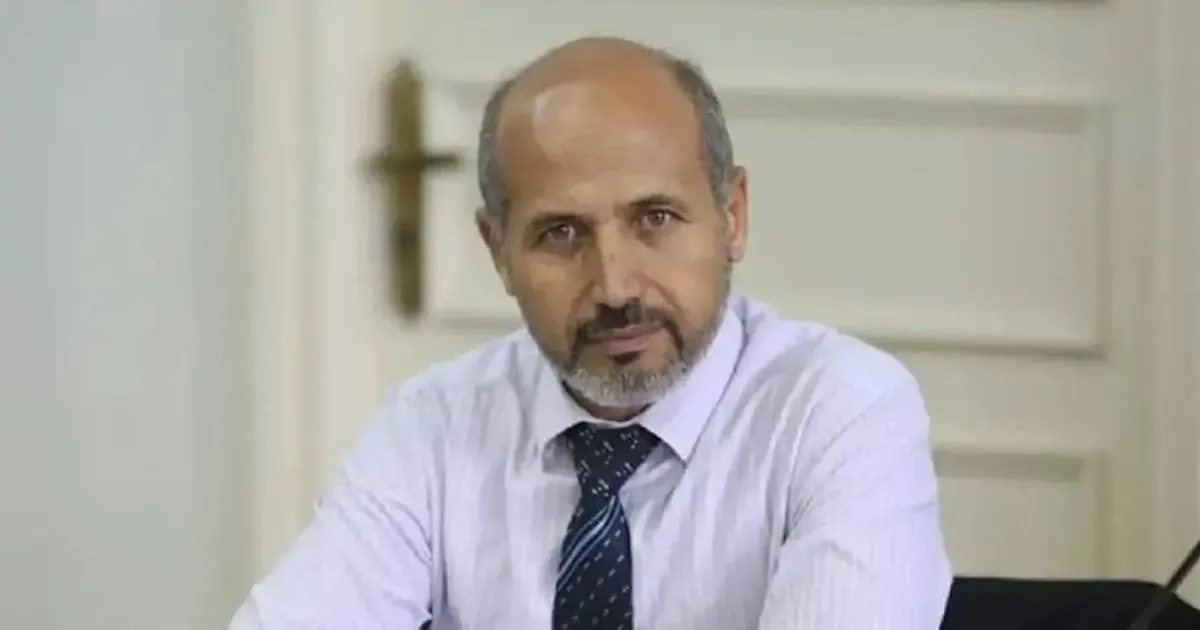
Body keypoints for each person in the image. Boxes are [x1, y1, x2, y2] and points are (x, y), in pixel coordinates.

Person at [229, 36, 953, 630]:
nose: (615, 287)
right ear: (497, 251)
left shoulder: (838, 411)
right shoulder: (434, 426)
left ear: (732, 216)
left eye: (655, 219)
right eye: (561, 234)